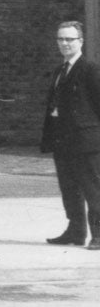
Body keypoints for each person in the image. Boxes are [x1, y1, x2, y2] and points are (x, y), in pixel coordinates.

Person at [42, 19, 100, 247]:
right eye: (61, 39)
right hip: (62, 141)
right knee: (69, 188)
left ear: (81, 41)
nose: (65, 43)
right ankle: (75, 231)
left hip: (86, 142)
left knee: (92, 189)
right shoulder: (60, 70)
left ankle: (99, 234)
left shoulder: (90, 70)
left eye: (69, 39)